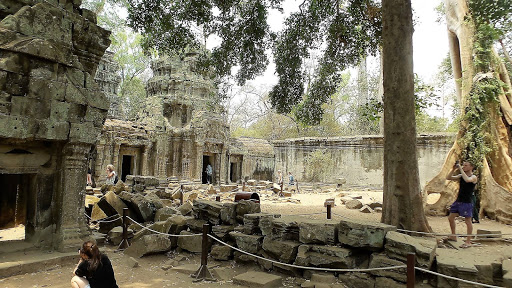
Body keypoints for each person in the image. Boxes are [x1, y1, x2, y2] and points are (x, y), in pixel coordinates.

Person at [446, 160, 478, 248]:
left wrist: (460, 168)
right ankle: (453, 235)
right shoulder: (461, 176)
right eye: (463, 165)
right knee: (451, 217)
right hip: (458, 201)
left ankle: (468, 241)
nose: (464, 167)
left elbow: (467, 180)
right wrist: (453, 169)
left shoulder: (473, 177)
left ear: (471, 167)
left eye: (466, 165)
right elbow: (448, 177)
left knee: (468, 221)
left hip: (467, 202)